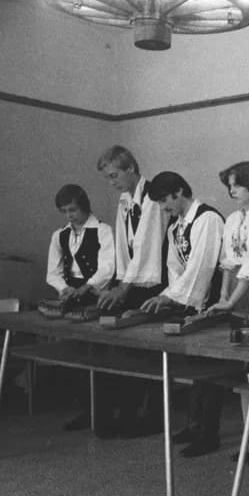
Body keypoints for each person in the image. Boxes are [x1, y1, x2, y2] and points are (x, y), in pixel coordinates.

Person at [141, 171, 225, 458]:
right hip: (191, 303)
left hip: (214, 303)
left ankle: (208, 433)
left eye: (165, 200)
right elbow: (175, 270)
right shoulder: (175, 226)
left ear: (179, 192)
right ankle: (194, 424)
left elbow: (201, 270)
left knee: (211, 371)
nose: (164, 208)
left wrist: (168, 296)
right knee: (197, 368)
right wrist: (168, 296)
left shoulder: (208, 219)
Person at [94, 145, 168, 438]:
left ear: (131, 169)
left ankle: (145, 415)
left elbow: (146, 247)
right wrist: (116, 285)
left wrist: (123, 289)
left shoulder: (151, 196)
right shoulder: (125, 200)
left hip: (154, 282)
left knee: (145, 352)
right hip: (133, 280)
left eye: (114, 175)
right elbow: (124, 249)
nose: (111, 183)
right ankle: (112, 413)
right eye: (107, 178)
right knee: (115, 341)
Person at [206, 161, 249, 466]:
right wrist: (223, 297)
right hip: (234, 296)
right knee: (243, 373)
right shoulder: (233, 218)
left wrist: (232, 299)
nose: (232, 190)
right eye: (229, 186)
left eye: (237, 184)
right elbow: (228, 263)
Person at [46, 184, 115, 431]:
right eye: (64, 211)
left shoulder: (103, 230)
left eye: (73, 210)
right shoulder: (60, 235)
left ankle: (104, 412)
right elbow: (52, 272)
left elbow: (107, 267)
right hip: (72, 295)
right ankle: (88, 410)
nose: (69, 216)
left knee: (100, 355)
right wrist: (63, 288)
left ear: (84, 205)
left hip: (96, 294)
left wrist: (86, 287)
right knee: (78, 355)